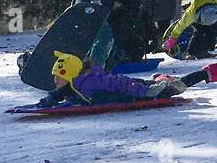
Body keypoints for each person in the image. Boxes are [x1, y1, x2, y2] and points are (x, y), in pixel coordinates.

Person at [35, 50, 215, 109]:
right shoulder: (73, 85)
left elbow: (120, 84)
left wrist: (146, 92)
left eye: (59, 78)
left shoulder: (90, 82)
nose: (55, 82)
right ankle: (159, 80)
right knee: (163, 83)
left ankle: (206, 73)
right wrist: (47, 101)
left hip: (137, 92)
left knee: (177, 88)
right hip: (135, 88)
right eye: (55, 78)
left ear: (71, 75)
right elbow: (58, 94)